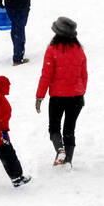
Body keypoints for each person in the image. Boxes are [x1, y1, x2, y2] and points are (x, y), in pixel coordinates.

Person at [35, 17, 87, 167]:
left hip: (58, 97)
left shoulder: (52, 50)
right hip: (76, 97)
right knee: (69, 129)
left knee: (54, 128)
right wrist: (81, 91)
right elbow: (84, 75)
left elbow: (46, 75)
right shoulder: (79, 50)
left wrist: (39, 97)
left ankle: (60, 150)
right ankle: (68, 161)